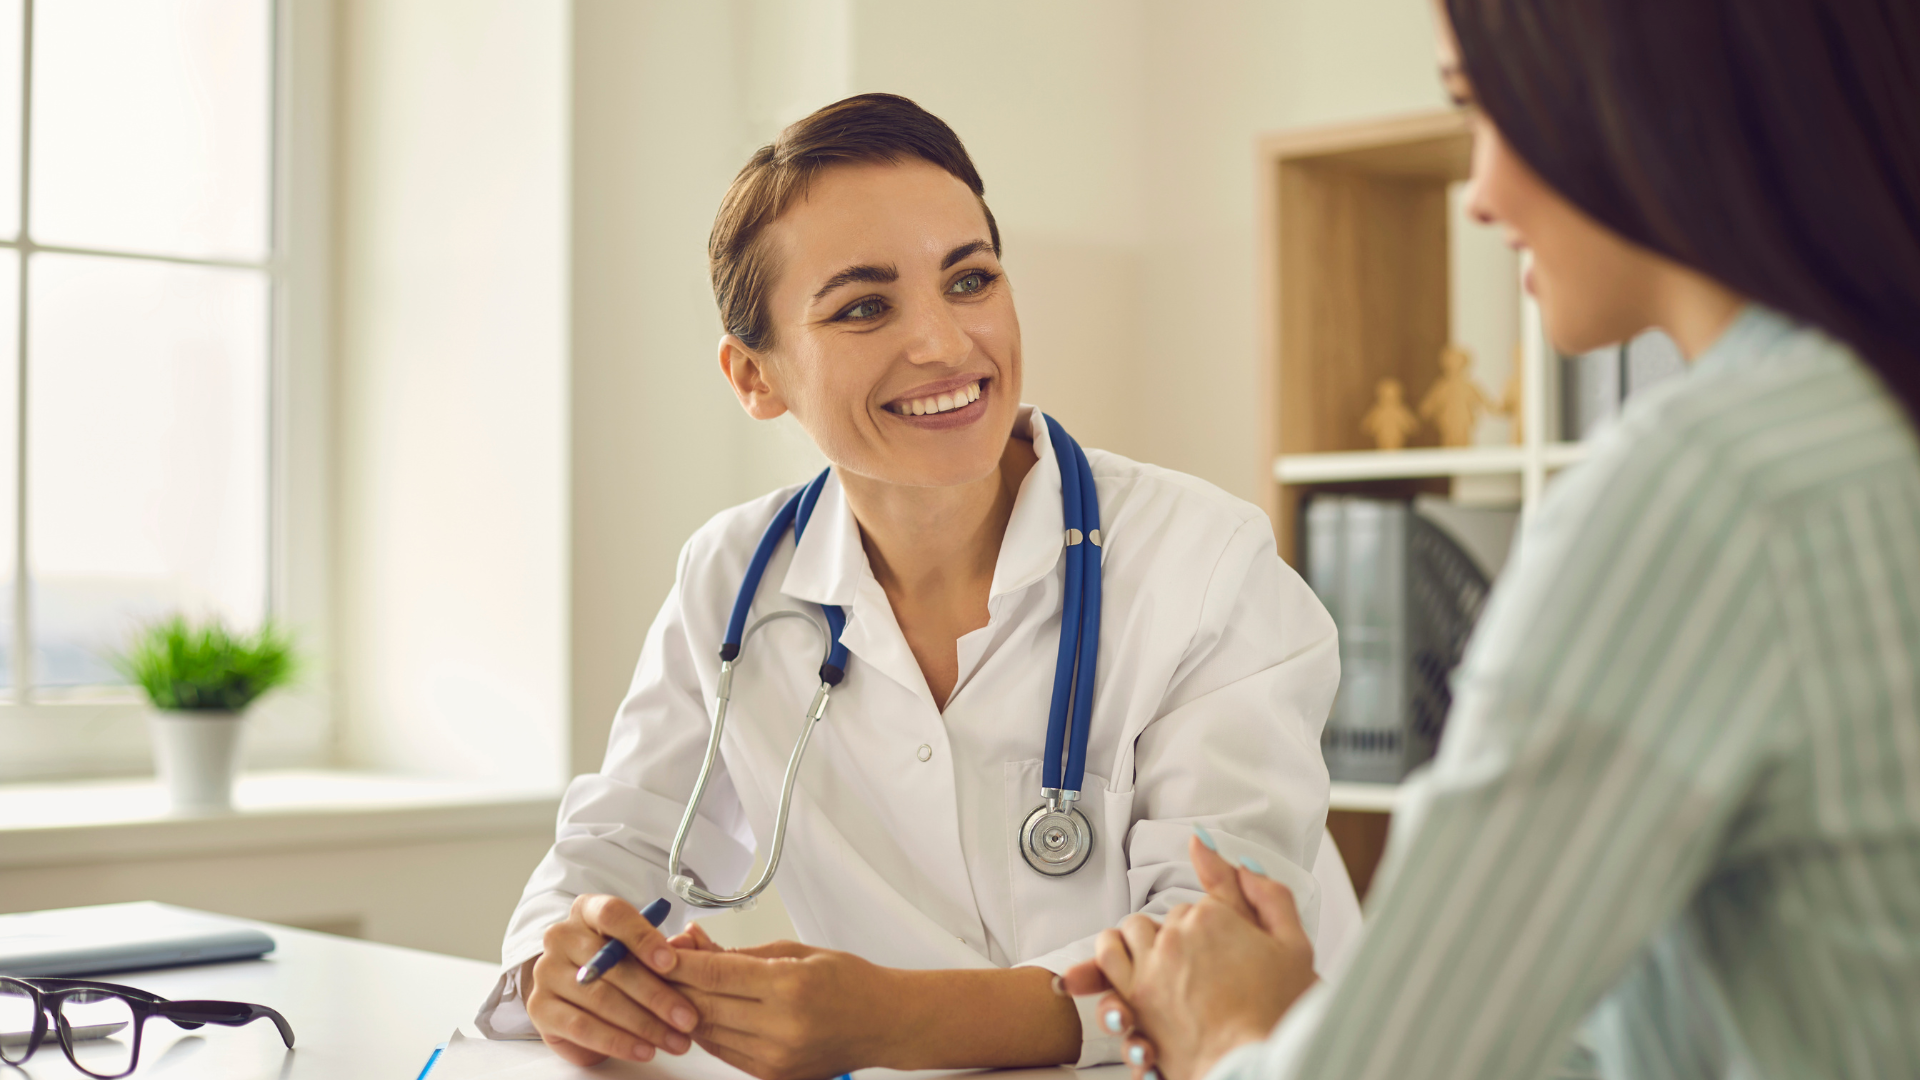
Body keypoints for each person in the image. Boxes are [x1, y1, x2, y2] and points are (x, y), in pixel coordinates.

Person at [1070, 1, 1920, 1078]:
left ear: (1643, 92)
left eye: (1480, 109)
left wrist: (1228, 1035)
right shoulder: (1857, 435)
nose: (1477, 194)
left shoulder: (1705, 491)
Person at [472, 94, 1354, 1077]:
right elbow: (617, 847)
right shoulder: (732, 577)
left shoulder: (1203, 562)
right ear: (754, 377)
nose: (942, 343)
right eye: (863, 306)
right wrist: (559, 961)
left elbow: (1218, 958)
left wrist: (889, 1018)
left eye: (970, 280)